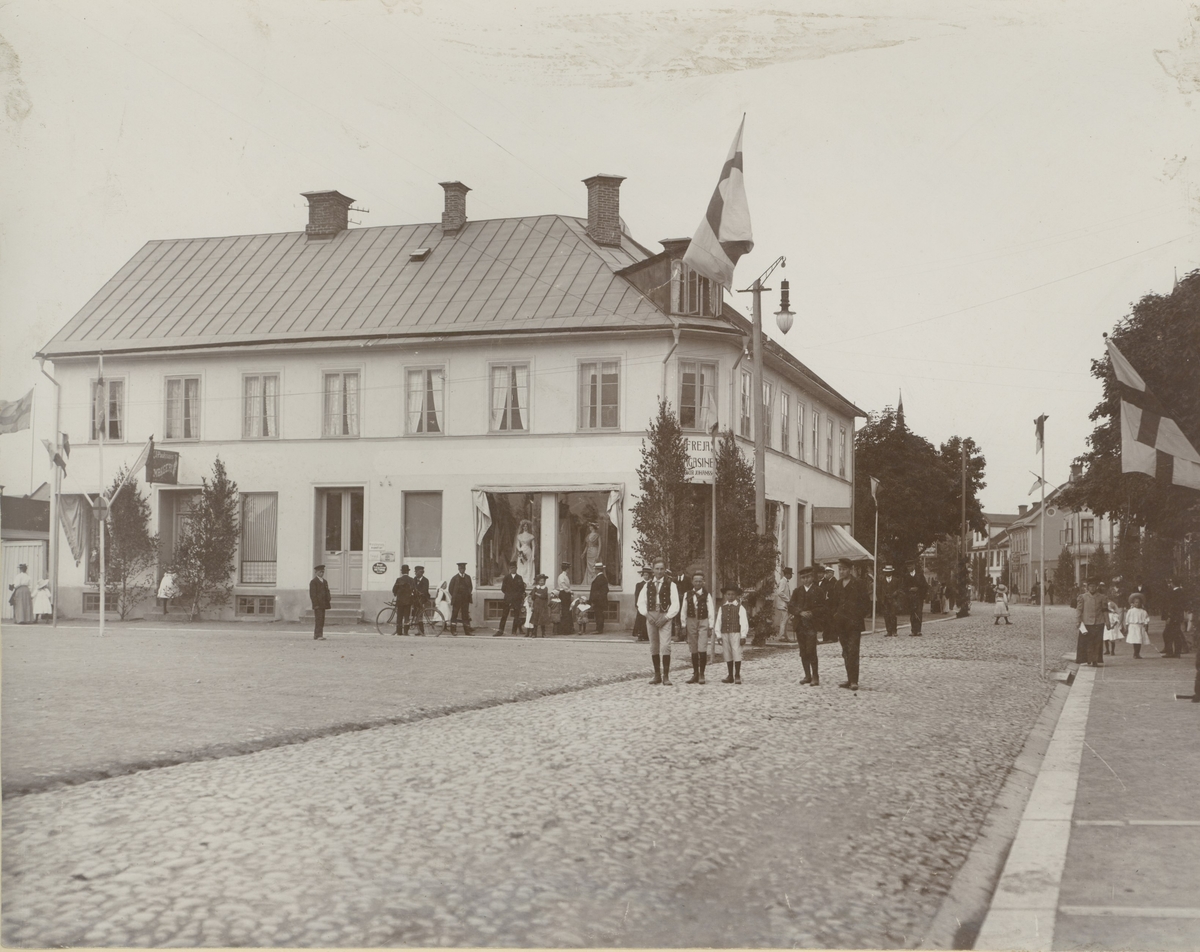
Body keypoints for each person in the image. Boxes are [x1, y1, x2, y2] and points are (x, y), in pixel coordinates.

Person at [637, 559, 680, 685]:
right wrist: (647, 615)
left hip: (665, 616)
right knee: (653, 646)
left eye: (662, 569)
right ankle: (657, 675)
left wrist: (666, 618)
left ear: (665, 570)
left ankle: (666, 676)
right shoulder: (647, 585)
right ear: (653, 570)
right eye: (657, 569)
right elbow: (640, 602)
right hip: (651, 616)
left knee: (666, 645)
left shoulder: (671, 585)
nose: (659, 571)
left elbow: (676, 604)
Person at [834, 559, 869, 690]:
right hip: (841, 624)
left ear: (850, 569)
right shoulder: (837, 584)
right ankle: (849, 679)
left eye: (844, 569)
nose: (841, 571)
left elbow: (865, 603)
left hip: (854, 624)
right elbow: (834, 603)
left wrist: (857, 616)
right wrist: (835, 616)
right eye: (840, 569)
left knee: (853, 650)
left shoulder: (858, 583)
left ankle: (854, 681)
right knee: (845, 651)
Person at [788, 566, 822, 685]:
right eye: (803, 578)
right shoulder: (797, 591)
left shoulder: (818, 591)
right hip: (800, 625)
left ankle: (815, 676)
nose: (805, 580)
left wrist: (812, 613)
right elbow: (791, 606)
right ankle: (807, 675)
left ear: (812, 577)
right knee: (803, 651)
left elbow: (823, 608)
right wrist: (800, 612)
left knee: (811, 650)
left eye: (807, 577)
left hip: (811, 625)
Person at [680, 572, 715, 684]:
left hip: (703, 620)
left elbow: (711, 611)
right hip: (691, 620)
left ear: (703, 582)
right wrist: (683, 625)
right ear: (692, 582)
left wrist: (711, 625)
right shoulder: (687, 594)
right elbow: (683, 610)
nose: (698, 583)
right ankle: (695, 673)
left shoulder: (707, 595)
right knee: (693, 647)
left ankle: (702, 674)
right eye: (696, 581)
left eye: (700, 581)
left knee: (702, 647)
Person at [716, 584, 749, 684]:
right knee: (727, 653)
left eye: (732, 594)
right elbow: (718, 621)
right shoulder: (722, 608)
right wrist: (718, 635)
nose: (730, 596)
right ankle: (730, 675)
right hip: (725, 632)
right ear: (725, 595)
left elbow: (743, 621)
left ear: (736, 596)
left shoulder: (740, 607)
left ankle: (737, 675)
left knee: (736, 652)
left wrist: (743, 635)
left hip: (736, 633)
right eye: (728, 594)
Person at [1076, 576, 1105, 667]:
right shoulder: (1083, 597)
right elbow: (1079, 610)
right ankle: (1087, 659)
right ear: (1087, 587)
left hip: (1098, 622)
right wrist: (1078, 621)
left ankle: (1095, 660)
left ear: (1097, 587)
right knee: (1087, 642)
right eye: (1090, 586)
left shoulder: (1102, 597)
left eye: (1094, 586)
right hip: (1086, 623)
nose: (1092, 588)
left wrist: (1107, 622)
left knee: (1097, 642)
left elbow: (1104, 610)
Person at [497, 561, 526, 637]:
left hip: (517, 600)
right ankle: (500, 631)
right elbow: (503, 589)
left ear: (516, 568)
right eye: (511, 568)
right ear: (509, 569)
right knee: (504, 615)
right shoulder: (506, 577)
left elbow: (522, 589)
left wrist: (517, 596)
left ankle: (514, 631)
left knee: (516, 616)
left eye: (514, 568)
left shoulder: (519, 578)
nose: (512, 569)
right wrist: (509, 596)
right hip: (508, 599)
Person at [1161, 577, 1185, 658]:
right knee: (1176, 633)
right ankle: (1176, 652)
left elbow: (1173, 606)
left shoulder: (1174, 593)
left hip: (1173, 616)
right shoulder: (1181, 591)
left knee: (1167, 634)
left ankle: (1170, 652)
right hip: (1178, 616)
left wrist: (1169, 616)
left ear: (1173, 583)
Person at [448, 561, 474, 636]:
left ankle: (467, 631)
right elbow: (450, 589)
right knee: (455, 614)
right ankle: (453, 630)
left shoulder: (468, 577)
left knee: (465, 615)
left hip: (465, 599)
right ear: (458, 569)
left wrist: (467, 594)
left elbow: (470, 587)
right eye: (461, 568)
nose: (462, 570)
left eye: (463, 568)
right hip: (457, 599)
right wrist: (455, 596)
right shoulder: (455, 578)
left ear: (465, 569)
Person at [391, 564, 417, 635]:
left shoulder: (399, 580)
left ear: (402, 571)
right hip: (408, 602)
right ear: (408, 572)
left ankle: (399, 632)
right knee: (407, 617)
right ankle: (406, 632)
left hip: (400, 601)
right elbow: (414, 590)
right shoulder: (411, 580)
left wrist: (396, 594)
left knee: (399, 616)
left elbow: (394, 590)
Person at [905, 560, 928, 636]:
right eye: (908, 566)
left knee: (918, 613)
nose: (909, 568)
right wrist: (909, 589)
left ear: (914, 566)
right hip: (910, 597)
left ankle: (918, 630)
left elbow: (925, 586)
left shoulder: (919, 575)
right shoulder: (906, 576)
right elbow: (903, 587)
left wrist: (918, 589)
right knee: (912, 614)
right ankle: (913, 630)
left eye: (910, 566)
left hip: (918, 597)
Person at [1125, 592, 1150, 659]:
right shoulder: (1130, 611)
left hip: (1140, 627)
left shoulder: (1143, 611)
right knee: (1135, 640)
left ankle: (1137, 653)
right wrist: (1126, 628)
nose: (1137, 604)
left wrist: (1146, 627)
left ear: (1141, 603)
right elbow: (1127, 619)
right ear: (1133, 603)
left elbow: (1146, 619)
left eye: (1138, 602)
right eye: (1136, 602)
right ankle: (1135, 653)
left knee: (1139, 640)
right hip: (1133, 627)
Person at [309, 564, 331, 640]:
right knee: (318, 619)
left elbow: (327, 591)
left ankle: (320, 634)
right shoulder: (313, 582)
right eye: (320, 572)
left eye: (323, 572)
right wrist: (315, 604)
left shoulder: (324, 581)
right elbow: (313, 594)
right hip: (318, 604)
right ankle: (317, 635)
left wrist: (328, 598)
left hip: (323, 604)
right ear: (316, 572)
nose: (322, 573)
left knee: (322, 619)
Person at [817, 564, 838, 643]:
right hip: (826, 604)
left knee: (830, 621)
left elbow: (831, 593)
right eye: (826, 573)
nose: (826, 574)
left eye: (828, 573)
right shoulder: (828, 581)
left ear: (832, 573)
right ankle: (827, 637)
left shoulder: (833, 582)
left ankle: (831, 637)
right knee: (827, 621)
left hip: (830, 604)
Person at [632, 567, 652, 642]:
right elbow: (636, 595)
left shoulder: (651, 584)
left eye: (647, 575)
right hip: (641, 604)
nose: (646, 576)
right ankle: (640, 634)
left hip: (649, 605)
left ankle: (647, 635)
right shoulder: (639, 585)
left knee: (648, 619)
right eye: (644, 575)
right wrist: (637, 605)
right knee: (641, 620)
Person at [879, 564, 900, 636]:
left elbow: (899, 589)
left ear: (891, 572)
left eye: (889, 572)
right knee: (886, 615)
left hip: (893, 600)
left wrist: (896, 593)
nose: (887, 573)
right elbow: (879, 590)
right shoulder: (882, 580)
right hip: (885, 601)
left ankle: (894, 631)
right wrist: (882, 598)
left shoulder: (896, 580)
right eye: (886, 572)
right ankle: (889, 631)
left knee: (893, 615)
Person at [589, 562, 610, 633]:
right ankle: (598, 628)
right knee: (598, 614)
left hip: (599, 601)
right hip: (599, 600)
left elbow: (602, 591)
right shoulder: (601, 578)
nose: (594, 571)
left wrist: (595, 600)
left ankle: (599, 629)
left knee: (599, 615)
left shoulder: (600, 578)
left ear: (598, 570)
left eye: (595, 569)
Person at [528, 573, 551, 637]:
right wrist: (534, 595)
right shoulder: (535, 588)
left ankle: (543, 633)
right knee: (535, 619)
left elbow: (544, 596)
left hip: (543, 606)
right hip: (536, 605)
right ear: (538, 581)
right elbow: (532, 596)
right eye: (540, 581)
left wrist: (537, 594)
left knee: (542, 619)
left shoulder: (545, 588)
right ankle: (534, 633)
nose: (542, 582)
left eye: (543, 581)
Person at [515, 520, 536, 589]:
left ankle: (528, 580)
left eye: (526, 526)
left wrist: (533, 555)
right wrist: (520, 550)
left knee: (528, 566)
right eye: (524, 526)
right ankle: (521, 581)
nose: (525, 527)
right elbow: (517, 545)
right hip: (522, 551)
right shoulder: (519, 536)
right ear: (522, 527)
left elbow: (533, 546)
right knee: (521, 565)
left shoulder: (531, 536)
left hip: (528, 552)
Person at [774, 567, 793, 642]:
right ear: (787, 574)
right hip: (783, 604)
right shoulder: (783, 581)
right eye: (790, 574)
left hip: (784, 604)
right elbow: (780, 592)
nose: (791, 576)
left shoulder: (785, 582)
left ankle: (784, 635)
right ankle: (782, 636)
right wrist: (788, 600)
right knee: (784, 620)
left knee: (784, 620)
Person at [556, 562, 574, 635]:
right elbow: (563, 586)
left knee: (567, 611)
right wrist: (570, 591)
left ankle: (568, 629)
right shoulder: (561, 576)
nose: (569, 570)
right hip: (564, 593)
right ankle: (565, 630)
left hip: (566, 594)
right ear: (566, 569)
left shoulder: (565, 576)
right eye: (568, 568)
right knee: (565, 611)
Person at [411, 565, 430, 635]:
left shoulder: (425, 580)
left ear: (421, 573)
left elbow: (425, 590)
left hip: (423, 599)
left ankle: (421, 631)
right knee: (416, 615)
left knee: (420, 615)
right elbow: (412, 587)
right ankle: (419, 630)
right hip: (416, 599)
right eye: (415, 572)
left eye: (417, 572)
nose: (415, 573)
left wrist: (419, 593)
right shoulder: (414, 579)